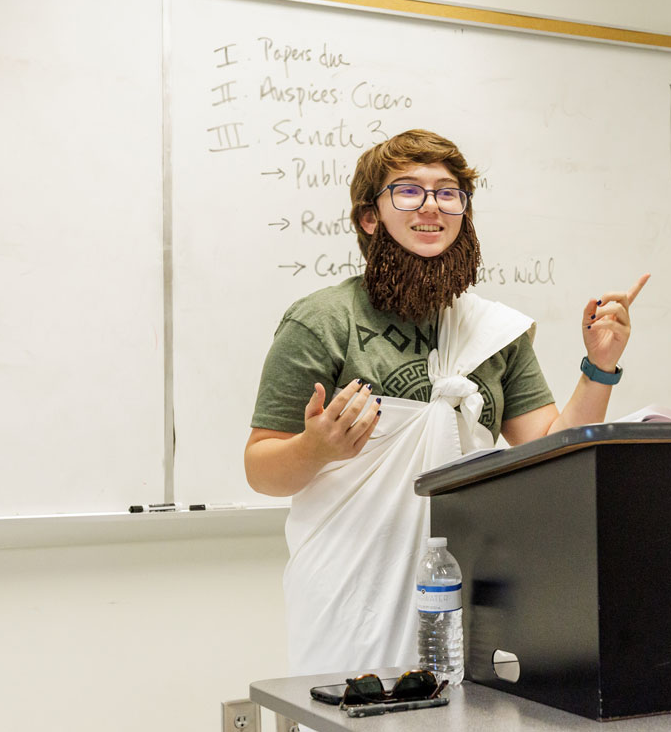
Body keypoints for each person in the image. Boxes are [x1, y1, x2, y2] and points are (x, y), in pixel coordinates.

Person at [245, 128, 648, 677]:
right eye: (408, 190)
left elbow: (551, 454)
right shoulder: (323, 321)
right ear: (370, 218)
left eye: (448, 192)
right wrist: (316, 449)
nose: (431, 205)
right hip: (350, 602)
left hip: (464, 599)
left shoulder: (494, 332)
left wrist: (599, 366)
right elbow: (260, 468)